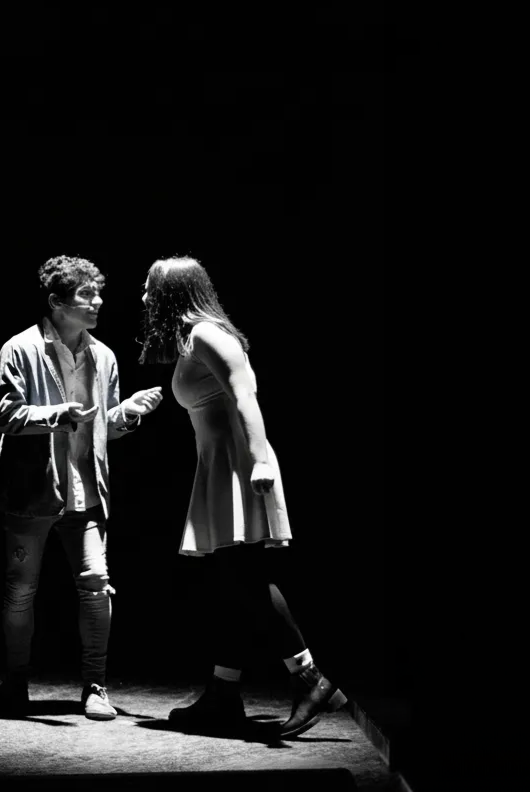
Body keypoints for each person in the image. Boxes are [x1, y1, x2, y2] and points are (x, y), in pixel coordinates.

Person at [138, 255, 347, 738]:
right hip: (220, 466)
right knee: (231, 582)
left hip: (238, 466)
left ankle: (311, 678)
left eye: (149, 289)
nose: (144, 298)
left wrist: (259, 459)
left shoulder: (209, 334)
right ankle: (223, 693)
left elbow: (244, 394)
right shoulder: (193, 338)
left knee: (245, 578)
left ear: (172, 292)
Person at [0, 255, 164, 720]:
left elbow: (106, 429)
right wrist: (58, 414)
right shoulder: (19, 349)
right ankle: (15, 683)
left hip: (86, 491)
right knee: (21, 590)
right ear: (56, 302)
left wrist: (128, 414)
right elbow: (6, 416)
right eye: (86, 294)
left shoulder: (103, 356)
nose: (98, 301)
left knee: (97, 585)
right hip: (32, 492)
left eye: (98, 293)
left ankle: (95, 686)